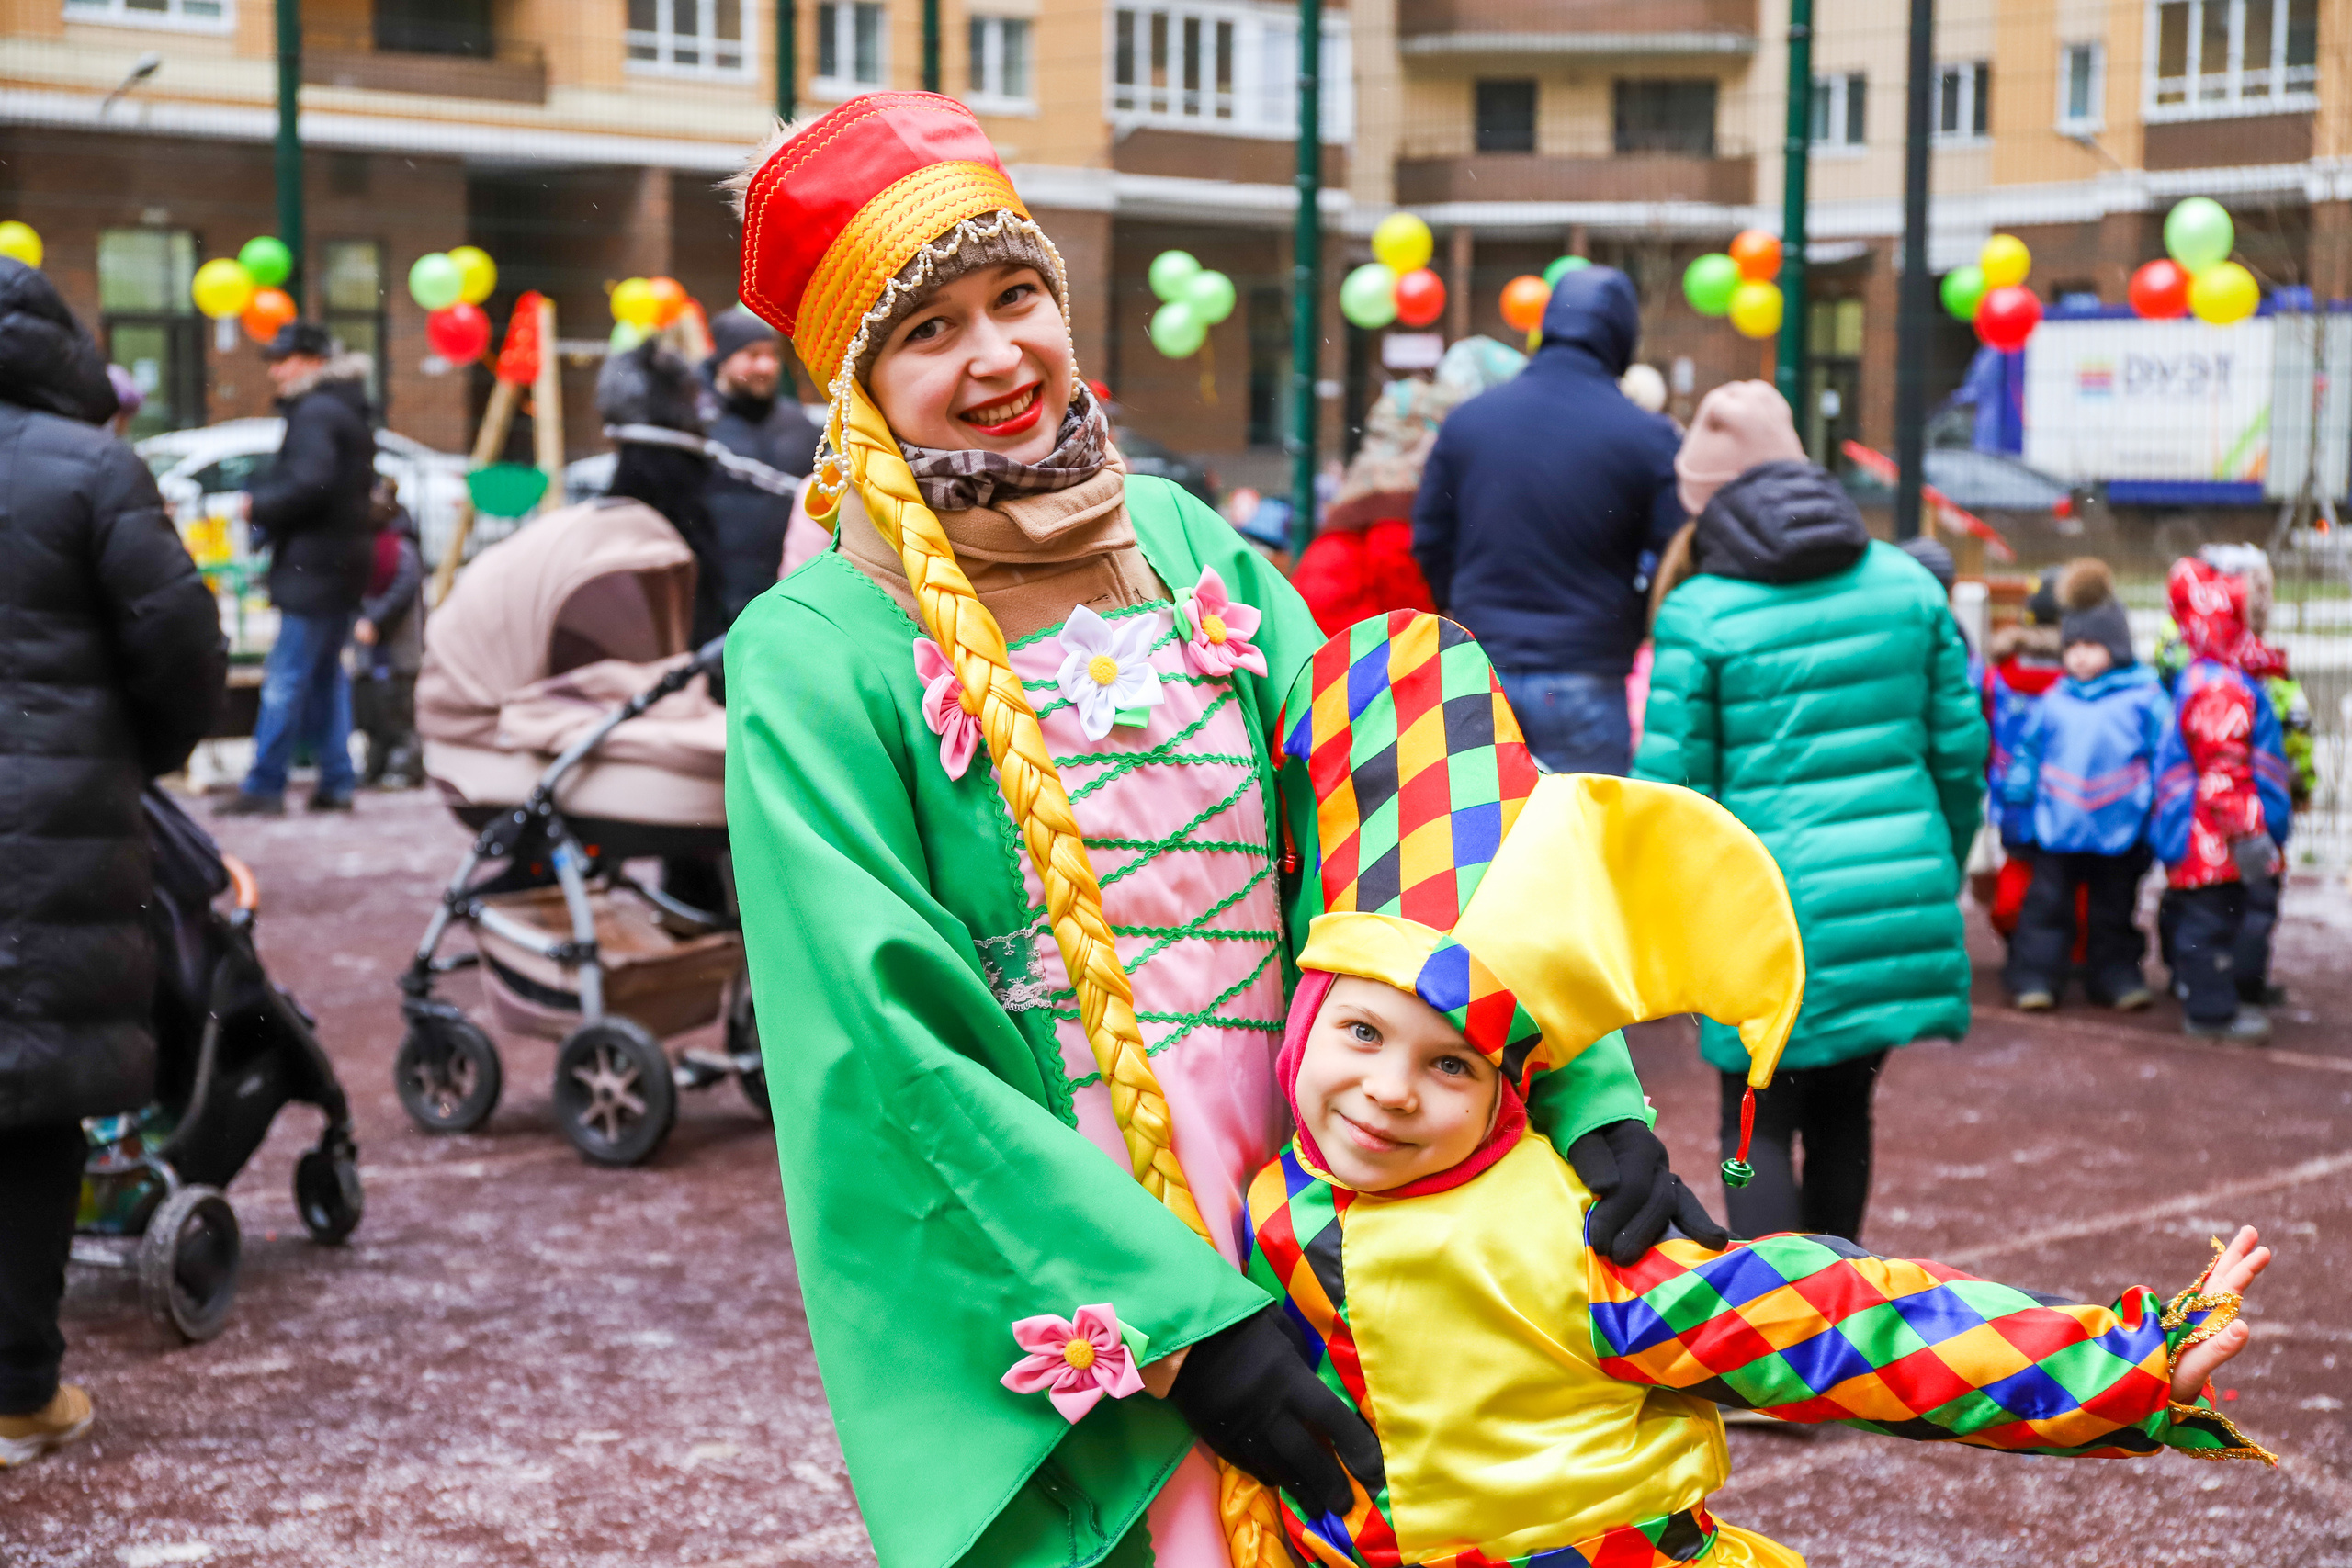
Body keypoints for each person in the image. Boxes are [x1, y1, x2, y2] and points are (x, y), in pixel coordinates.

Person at [720, 92, 1703, 1568]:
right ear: (856, 385)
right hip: (1085, 1238)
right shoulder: (815, 650)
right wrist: (1176, 1323)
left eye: (1017, 297)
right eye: (927, 330)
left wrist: (1584, 1089)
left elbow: (1403, 828)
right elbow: (882, 1045)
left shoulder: (1186, 542)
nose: (996, 355)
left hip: (1342, 1163)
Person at [1213, 613, 2273, 1568]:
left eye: (1451, 1064)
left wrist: (2129, 1365)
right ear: (1302, 1027)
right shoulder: (1258, 1203)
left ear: (1506, 1091)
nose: (1390, 1091)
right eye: (1361, 1032)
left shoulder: (1561, 1248)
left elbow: (1839, 1327)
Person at [1634, 380, 1986, 1243]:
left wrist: (1671, 931)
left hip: (1760, 915)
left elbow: (1672, 795)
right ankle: (1841, 1296)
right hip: (1892, 892)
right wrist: (1932, 866)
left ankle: (1776, 1308)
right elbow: (1960, 757)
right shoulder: (1909, 585)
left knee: (1750, 1124)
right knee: (1844, 1111)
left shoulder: (1700, 611)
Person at [0, 256, 226, 1466]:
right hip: (53, 827)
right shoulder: (91, 467)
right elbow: (180, 645)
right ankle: (17, 1393)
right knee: (30, 1101)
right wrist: (128, 756)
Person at [1411, 267, 1682, 775]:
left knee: (1481, 821)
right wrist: (1627, 620)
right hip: (1586, 671)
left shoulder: (1469, 422)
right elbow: (1676, 554)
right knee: (1580, 822)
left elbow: (1429, 538)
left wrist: (1466, 605)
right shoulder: (1647, 436)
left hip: (1479, 667)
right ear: (1622, 336)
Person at [220, 321, 377, 816]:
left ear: (312, 361)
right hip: (342, 560)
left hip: (314, 563)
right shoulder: (345, 407)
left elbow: (311, 482)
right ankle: (337, 780)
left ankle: (265, 784)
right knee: (326, 676)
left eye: (283, 360)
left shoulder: (316, 411)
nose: (275, 371)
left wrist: (259, 505)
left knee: (286, 677)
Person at [1998, 559, 2167, 1012]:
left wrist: (2157, 816)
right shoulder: (2056, 699)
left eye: (2091, 645)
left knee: (2114, 911)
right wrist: (2017, 806)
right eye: (2072, 645)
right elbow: (2028, 754)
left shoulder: (2144, 698)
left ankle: (2115, 977)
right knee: (2045, 909)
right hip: (2058, 826)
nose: (2079, 656)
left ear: (2117, 646)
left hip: (2120, 828)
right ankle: (2036, 977)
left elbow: (2162, 759)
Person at [2153, 555, 2293, 1043]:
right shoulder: (2221, 690)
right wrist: (2249, 832)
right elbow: (2223, 773)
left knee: (2219, 918)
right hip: (2216, 840)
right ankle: (2210, 1011)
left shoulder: (2214, 677)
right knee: (2212, 923)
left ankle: (2223, 992)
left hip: (2209, 835)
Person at [701, 306, 823, 628]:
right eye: (752, 355)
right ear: (723, 359)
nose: (766, 365)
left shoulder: (799, 425)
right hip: (716, 605)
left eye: (771, 354)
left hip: (792, 601)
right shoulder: (698, 427)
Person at [1982, 571, 2066, 936]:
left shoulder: (1999, 676)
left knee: (2017, 876)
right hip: (2067, 798)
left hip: (2011, 798)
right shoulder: (2079, 677)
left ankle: (2019, 939)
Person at [352, 475, 424, 789]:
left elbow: (403, 589)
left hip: (398, 646)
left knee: (399, 710)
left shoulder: (402, 548)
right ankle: (377, 762)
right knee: (372, 708)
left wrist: (374, 620)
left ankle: (406, 764)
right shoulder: (363, 548)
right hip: (369, 649)